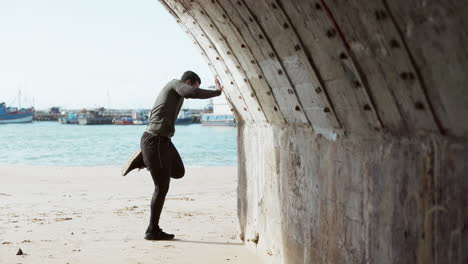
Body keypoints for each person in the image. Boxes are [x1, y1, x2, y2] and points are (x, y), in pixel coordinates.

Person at [139, 71, 223, 240]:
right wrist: (217, 92)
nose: (195, 90)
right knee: (161, 187)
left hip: (163, 141)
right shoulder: (175, 84)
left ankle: (148, 159)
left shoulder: (177, 91)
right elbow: (191, 92)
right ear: (189, 82)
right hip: (154, 140)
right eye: (195, 86)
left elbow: (192, 92)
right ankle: (152, 230)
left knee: (178, 172)